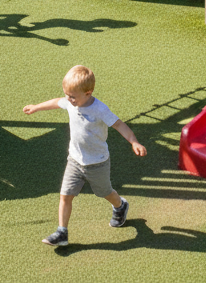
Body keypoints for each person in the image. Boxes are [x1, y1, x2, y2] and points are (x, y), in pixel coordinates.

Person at [23, 64, 147, 248]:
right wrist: (36, 107)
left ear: (88, 93)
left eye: (72, 96)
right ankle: (62, 232)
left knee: (105, 193)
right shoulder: (70, 101)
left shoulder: (100, 109)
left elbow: (119, 125)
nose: (68, 99)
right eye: (67, 94)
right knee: (65, 195)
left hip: (97, 163)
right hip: (74, 160)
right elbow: (57, 102)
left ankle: (120, 206)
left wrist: (134, 141)